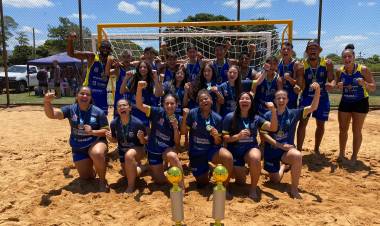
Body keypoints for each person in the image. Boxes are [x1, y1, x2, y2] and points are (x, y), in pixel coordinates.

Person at [261, 83, 320, 199]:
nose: (281, 100)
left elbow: (313, 107)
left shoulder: (294, 113)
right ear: (275, 100)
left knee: (297, 156)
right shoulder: (268, 114)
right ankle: (283, 167)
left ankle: (294, 189)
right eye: (278, 98)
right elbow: (263, 134)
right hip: (272, 150)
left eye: (284, 98)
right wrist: (279, 145)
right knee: (275, 180)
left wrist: (317, 91)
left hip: (287, 150)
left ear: (287, 100)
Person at [44, 86, 109, 191]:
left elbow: (106, 131)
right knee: (86, 177)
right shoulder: (71, 109)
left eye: (87, 94)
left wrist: (92, 132)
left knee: (97, 153)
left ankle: (102, 181)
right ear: (77, 96)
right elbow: (52, 114)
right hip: (78, 146)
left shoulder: (98, 112)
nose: (84, 96)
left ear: (91, 98)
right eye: (82, 93)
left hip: (95, 142)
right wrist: (47, 102)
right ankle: (93, 167)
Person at [222, 92, 277, 200]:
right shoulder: (229, 117)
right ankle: (227, 185)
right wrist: (238, 136)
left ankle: (252, 189)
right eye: (242, 98)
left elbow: (273, 128)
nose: (245, 101)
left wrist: (273, 111)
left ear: (251, 103)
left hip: (249, 150)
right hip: (234, 153)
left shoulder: (256, 118)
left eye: (248, 99)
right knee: (240, 182)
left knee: (256, 157)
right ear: (238, 102)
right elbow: (225, 138)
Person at [180, 90, 233, 188]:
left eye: (206, 99)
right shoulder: (192, 113)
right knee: (202, 183)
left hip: (211, 150)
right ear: (199, 103)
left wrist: (216, 136)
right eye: (201, 100)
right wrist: (184, 117)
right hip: (196, 152)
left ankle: (224, 188)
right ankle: (209, 168)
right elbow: (183, 132)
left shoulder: (217, 119)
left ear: (211, 101)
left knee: (228, 157)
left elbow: (219, 142)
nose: (204, 101)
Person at [136, 80, 184, 187]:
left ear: (176, 105)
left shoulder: (178, 118)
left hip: (167, 150)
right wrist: (139, 89)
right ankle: (150, 167)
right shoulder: (156, 112)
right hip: (153, 150)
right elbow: (139, 105)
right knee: (160, 181)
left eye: (172, 103)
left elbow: (177, 142)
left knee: (173, 156)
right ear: (163, 104)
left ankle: (182, 187)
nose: (169, 106)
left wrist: (176, 128)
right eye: (167, 103)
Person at [336, 44, 376, 164]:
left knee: (356, 130)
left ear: (354, 57)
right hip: (345, 102)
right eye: (345, 57)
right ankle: (341, 154)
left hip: (360, 102)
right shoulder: (339, 71)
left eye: (349, 56)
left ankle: (354, 157)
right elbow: (338, 86)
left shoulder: (363, 69)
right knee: (343, 129)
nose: (347, 59)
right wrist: (338, 86)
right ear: (342, 59)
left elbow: (373, 87)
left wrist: (364, 83)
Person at [296, 40, 335, 154]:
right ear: (307, 51)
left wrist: (331, 85)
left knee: (320, 124)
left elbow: (332, 79)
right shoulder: (302, 65)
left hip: (322, 98)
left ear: (319, 50)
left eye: (315, 48)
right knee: (302, 123)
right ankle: (298, 150)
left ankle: (316, 149)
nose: (313, 50)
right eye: (310, 48)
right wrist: (297, 87)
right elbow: (300, 84)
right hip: (307, 97)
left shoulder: (327, 63)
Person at [106, 99, 147, 193]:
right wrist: (110, 139)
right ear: (116, 110)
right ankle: (144, 167)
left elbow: (145, 141)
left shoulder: (137, 123)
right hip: (122, 151)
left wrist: (141, 138)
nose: (122, 107)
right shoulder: (114, 123)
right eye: (119, 106)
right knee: (128, 174)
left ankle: (131, 186)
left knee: (129, 156)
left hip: (138, 149)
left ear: (130, 108)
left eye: (124, 105)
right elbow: (115, 139)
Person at [67, 32, 111, 115]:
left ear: (110, 50)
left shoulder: (110, 61)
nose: (105, 50)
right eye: (103, 48)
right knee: (83, 116)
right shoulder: (92, 56)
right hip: (88, 93)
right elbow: (71, 54)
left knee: (101, 119)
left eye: (107, 48)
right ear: (99, 48)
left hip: (101, 95)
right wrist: (70, 40)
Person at [120, 61, 161, 127]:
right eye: (140, 67)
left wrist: (156, 78)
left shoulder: (151, 81)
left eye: (145, 67)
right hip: (133, 112)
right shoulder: (134, 79)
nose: (142, 69)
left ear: (148, 69)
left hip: (144, 113)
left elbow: (158, 94)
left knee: (144, 134)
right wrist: (126, 78)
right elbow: (122, 91)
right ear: (138, 69)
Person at [105, 49, 136, 118]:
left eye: (128, 56)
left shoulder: (135, 69)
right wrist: (111, 61)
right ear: (121, 58)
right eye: (124, 57)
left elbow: (142, 61)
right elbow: (107, 73)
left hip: (131, 99)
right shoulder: (118, 69)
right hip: (120, 98)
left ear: (131, 58)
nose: (126, 59)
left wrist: (131, 63)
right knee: (118, 121)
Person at [277, 41, 302, 109]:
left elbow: (299, 85)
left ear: (291, 52)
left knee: (291, 117)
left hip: (291, 95)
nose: (286, 51)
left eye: (288, 49)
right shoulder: (278, 63)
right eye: (284, 49)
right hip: (280, 94)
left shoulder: (296, 64)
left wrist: (289, 79)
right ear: (280, 51)